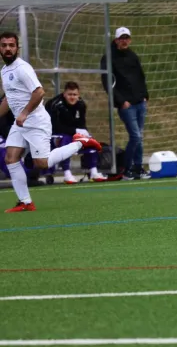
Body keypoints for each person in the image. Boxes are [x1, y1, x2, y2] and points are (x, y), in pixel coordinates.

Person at [0, 31, 102, 212]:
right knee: (11, 158)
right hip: (21, 122)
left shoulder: (22, 68)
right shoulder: (5, 70)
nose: (8, 49)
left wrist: (24, 113)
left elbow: (39, 92)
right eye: (4, 45)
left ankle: (80, 143)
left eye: (11, 45)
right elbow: (9, 98)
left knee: (42, 163)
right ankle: (25, 202)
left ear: (17, 48)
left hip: (35, 121)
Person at [100, 26, 150, 180]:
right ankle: (126, 168)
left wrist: (144, 95)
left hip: (139, 101)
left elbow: (140, 76)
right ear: (116, 40)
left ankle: (137, 167)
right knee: (135, 136)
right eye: (122, 38)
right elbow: (107, 82)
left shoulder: (133, 56)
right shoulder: (108, 58)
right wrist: (121, 101)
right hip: (126, 104)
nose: (124, 41)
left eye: (127, 38)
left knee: (139, 136)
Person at [46, 81, 107, 184]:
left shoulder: (81, 104)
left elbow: (82, 123)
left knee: (90, 140)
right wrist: (75, 131)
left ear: (78, 95)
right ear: (64, 94)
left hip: (72, 134)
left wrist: (84, 132)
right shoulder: (56, 105)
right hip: (55, 135)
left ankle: (93, 171)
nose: (72, 97)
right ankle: (66, 173)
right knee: (65, 140)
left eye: (75, 95)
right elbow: (55, 126)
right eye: (70, 94)